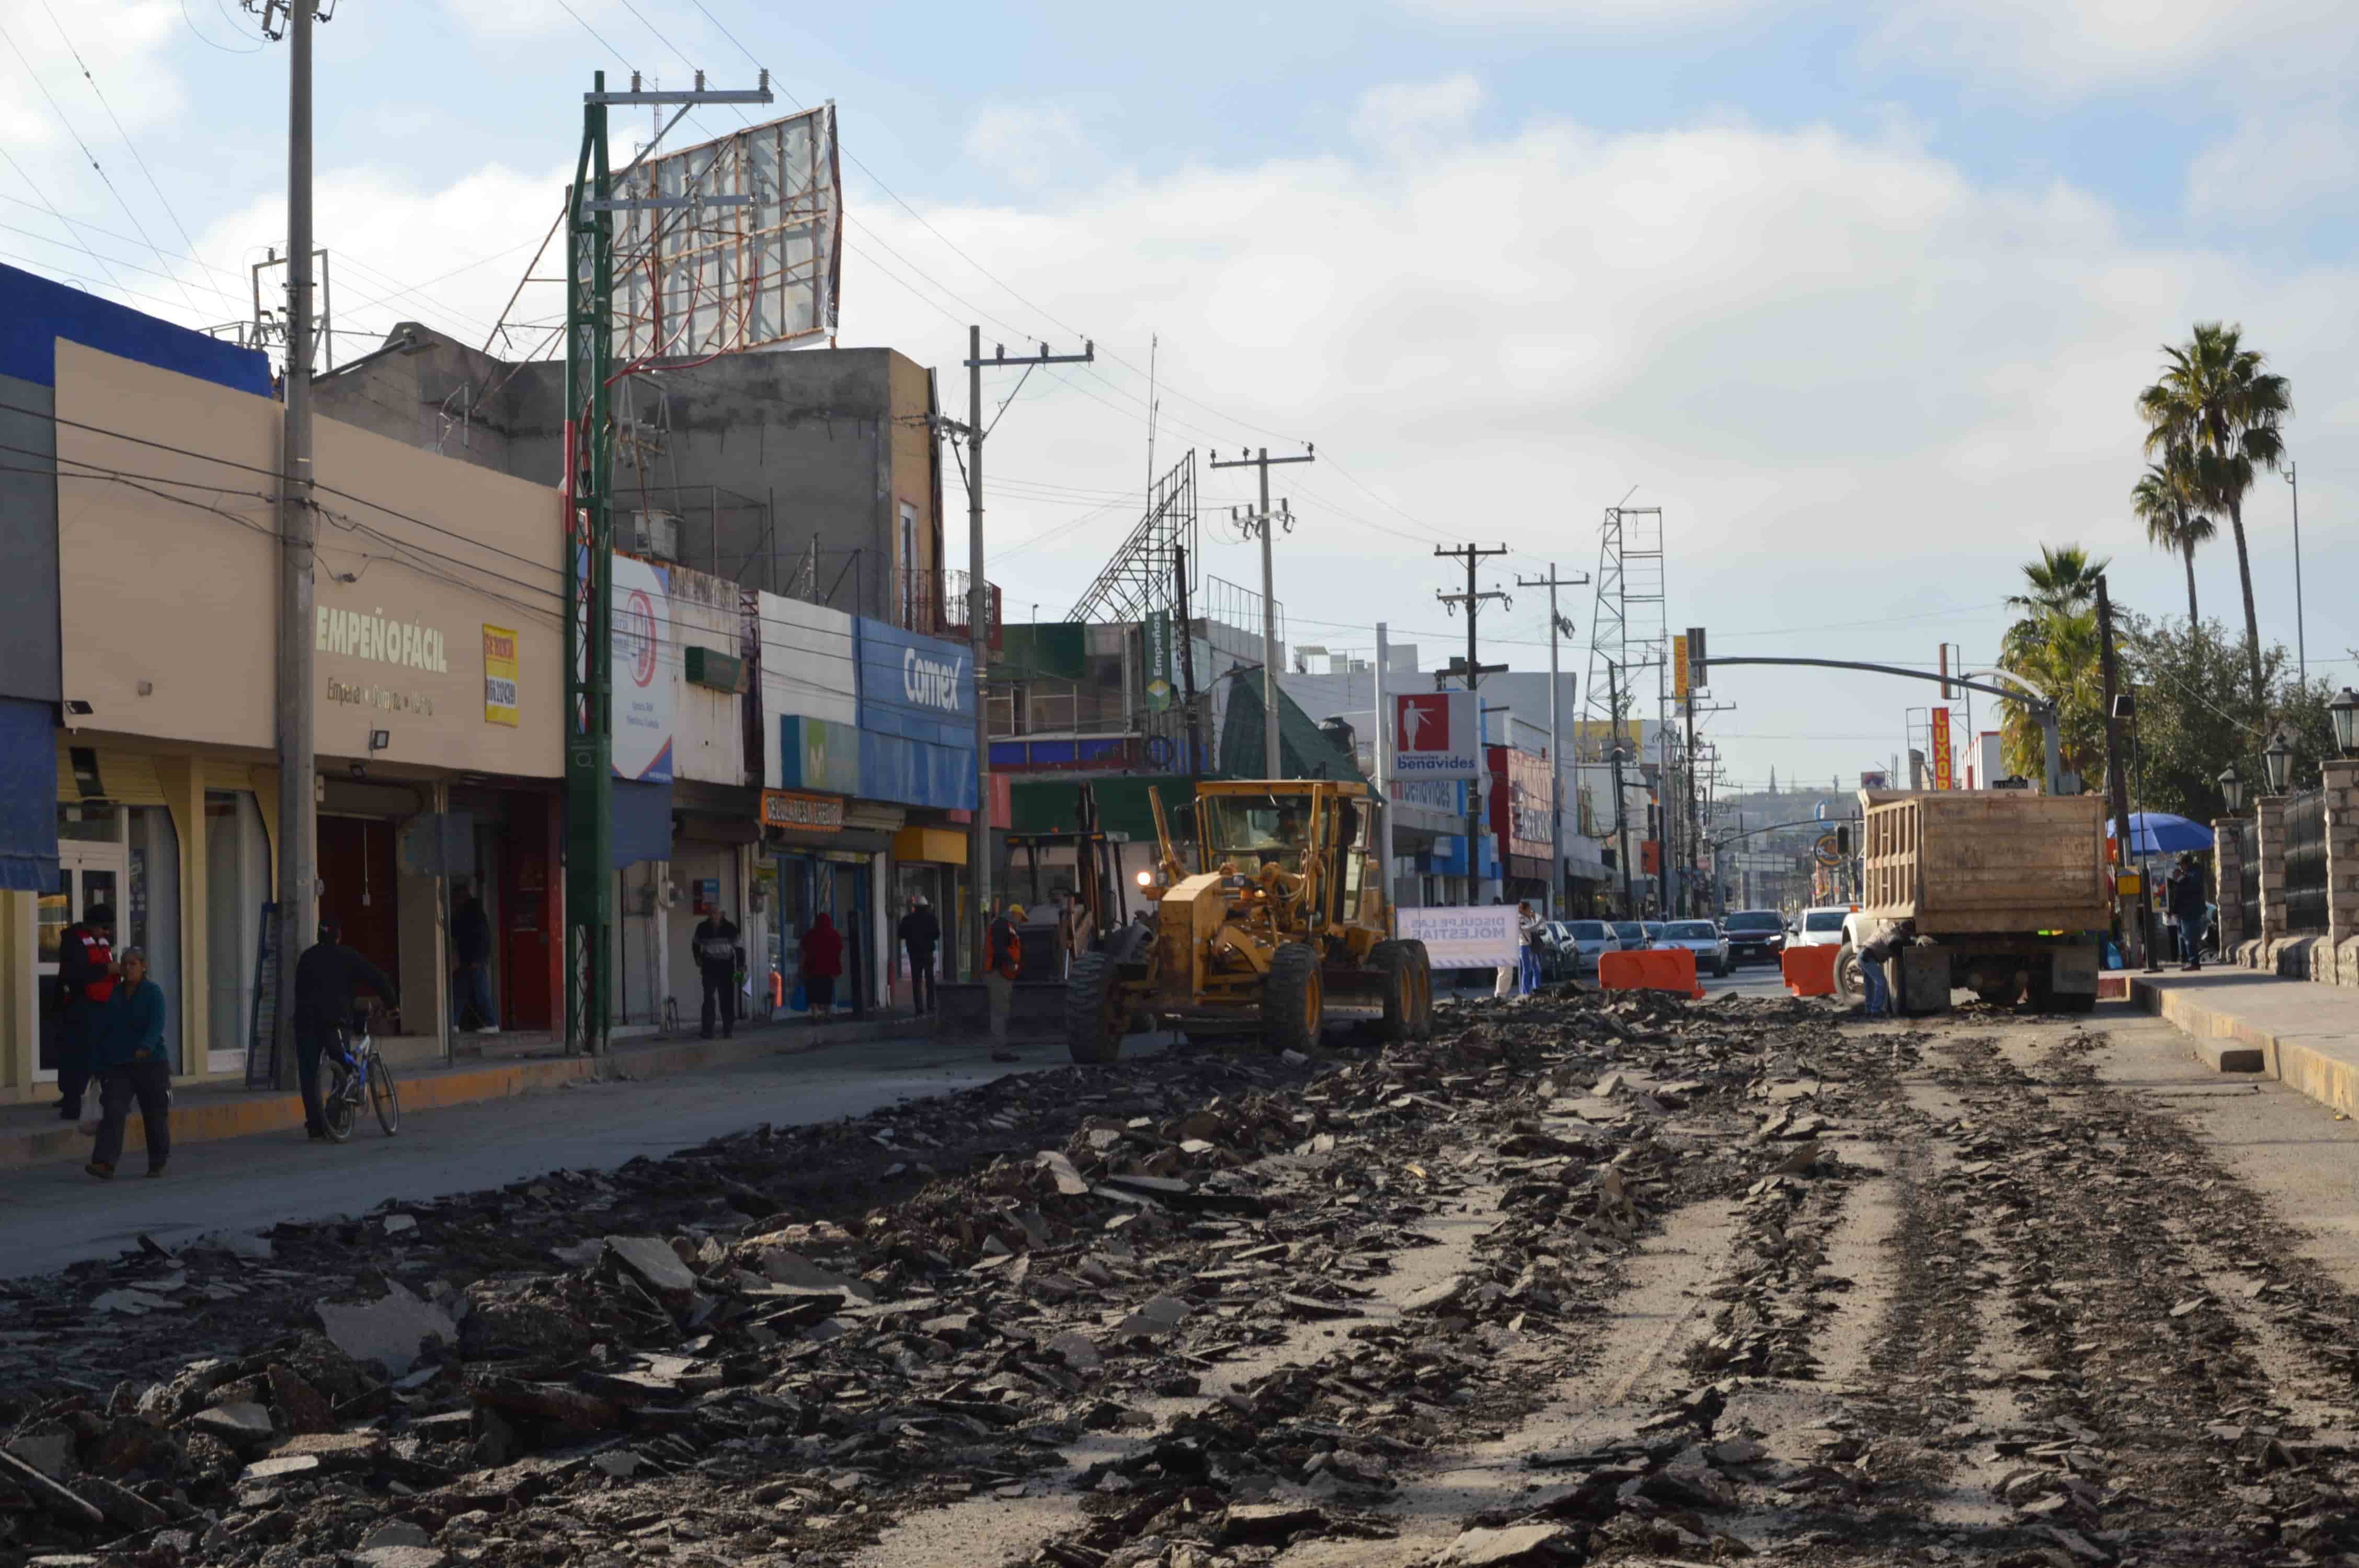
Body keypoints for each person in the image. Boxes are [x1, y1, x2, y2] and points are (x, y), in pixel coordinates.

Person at [293, 918, 398, 1142]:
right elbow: (376, 977)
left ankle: (315, 1126)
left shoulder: (306, 958)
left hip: (305, 1024)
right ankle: (334, 1117)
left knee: (308, 1073)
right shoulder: (347, 956)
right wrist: (392, 1004)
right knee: (343, 1066)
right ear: (338, 936)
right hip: (335, 1022)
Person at [86, 946, 170, 1180]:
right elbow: (105, 1029)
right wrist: (97, 1064)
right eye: (125, 964)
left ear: (144, 967)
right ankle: (104, 1163)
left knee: (154, 1115)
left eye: (134, 963)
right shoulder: (115, 993)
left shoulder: (153, 992)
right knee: (113, 1110)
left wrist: (146, 1047)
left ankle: (157, 1163)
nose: (129, 967)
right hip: (119, 1064)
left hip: (151, 1063)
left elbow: (157, 1023)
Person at [54, 902, 119, 1121]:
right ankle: (72, 1103)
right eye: (104, 928)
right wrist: (105, 970)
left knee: (100, 1055)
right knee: (77, 1057)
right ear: (93, 925)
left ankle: (102, 1099)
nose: (107, 933)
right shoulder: (73, 941)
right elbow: (75, 974)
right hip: (80, 1007)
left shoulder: (101, 941)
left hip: (103, 1007)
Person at [450, 879, 498, 1034]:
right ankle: (454, 1023)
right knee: (461, 989)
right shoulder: (472, 911)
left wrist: (478, 959)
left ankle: (491, 1023)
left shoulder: (471, 912)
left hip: (474, 959)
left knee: (479, 989)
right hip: (471, 959)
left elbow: (478, 937)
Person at [693, 905, 745, 1039]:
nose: (713, 916)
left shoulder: (731, 928)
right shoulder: (702, 928)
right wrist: (697, 958)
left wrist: (741, 966)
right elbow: (695, 944)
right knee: (708, 998)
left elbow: (739, 948)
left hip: (726, 968)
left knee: (727, 999)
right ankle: (708, 1031)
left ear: (723, 914)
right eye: (711, 913)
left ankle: (728, 1030)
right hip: (709, 967)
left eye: (716, 913)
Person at [985, 903, 1024, 1063]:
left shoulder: (1003, 925)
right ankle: (1000, 1051)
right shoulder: (1002, 926)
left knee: (1001, 1012)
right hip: (1000, 974)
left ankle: (1000, 1049)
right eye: (1022, 918)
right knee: (999, 1013)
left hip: (1003, 974)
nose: (1021, 922)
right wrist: (1011, 963)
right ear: (1015, 914)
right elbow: (1000, 950)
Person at [897, 894, 940, 1016]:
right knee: (930, 979)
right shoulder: (932, 919)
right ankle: (931, 1005)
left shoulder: (908, 919)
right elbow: (937, 934)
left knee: (917, 981)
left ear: (915, 907)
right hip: (928, 953)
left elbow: (900, 934)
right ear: (926, 907)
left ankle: (919, 1007)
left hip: (914, 953)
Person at [1857, 918, 1907, 1018]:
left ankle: (1869, 1010)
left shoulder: (1889, 929)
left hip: (1863, 954)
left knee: (1869, 984)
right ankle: (1876, 1010)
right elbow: (1897, 950)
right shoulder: (1893, 937)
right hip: (1867, 957)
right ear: (1903, 930)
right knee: (1882, 982)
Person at [2167, 852, 2208, 972]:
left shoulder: (2196, 873)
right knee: (2186, 938)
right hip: (2183, 912)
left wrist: (2181, 878)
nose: (2181, 867)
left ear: (2187, 864)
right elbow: (2179, 892)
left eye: (2181, 865)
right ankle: (2190, 961)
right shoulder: (2187, 874)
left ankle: (2194, 963)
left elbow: (2192, 888)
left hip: (2191, 911)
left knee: (2190, 938)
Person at [798, 913, 843, 1019]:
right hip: (828, 970)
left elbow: (804, 952)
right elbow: (838, 952)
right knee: (827, 991)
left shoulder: (810, 935)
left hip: (812, 969)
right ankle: (828, 1014)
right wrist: (837, 968)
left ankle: (815, 1014)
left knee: (813, 991)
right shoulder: (834, 934)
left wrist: (801, 968)